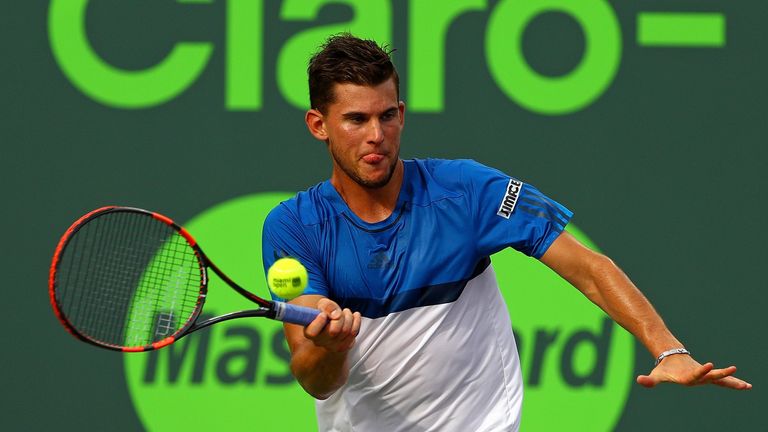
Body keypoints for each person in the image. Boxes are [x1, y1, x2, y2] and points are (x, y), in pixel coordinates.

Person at [261, 33, 751, 431]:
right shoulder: (294, 226)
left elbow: (589, 269)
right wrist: (330, 346)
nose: (376, 134)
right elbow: (316, 380)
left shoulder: (470, 190)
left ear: (402, 114)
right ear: (318, 125)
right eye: (356, 119)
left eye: (387, 115)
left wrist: (668, 349)